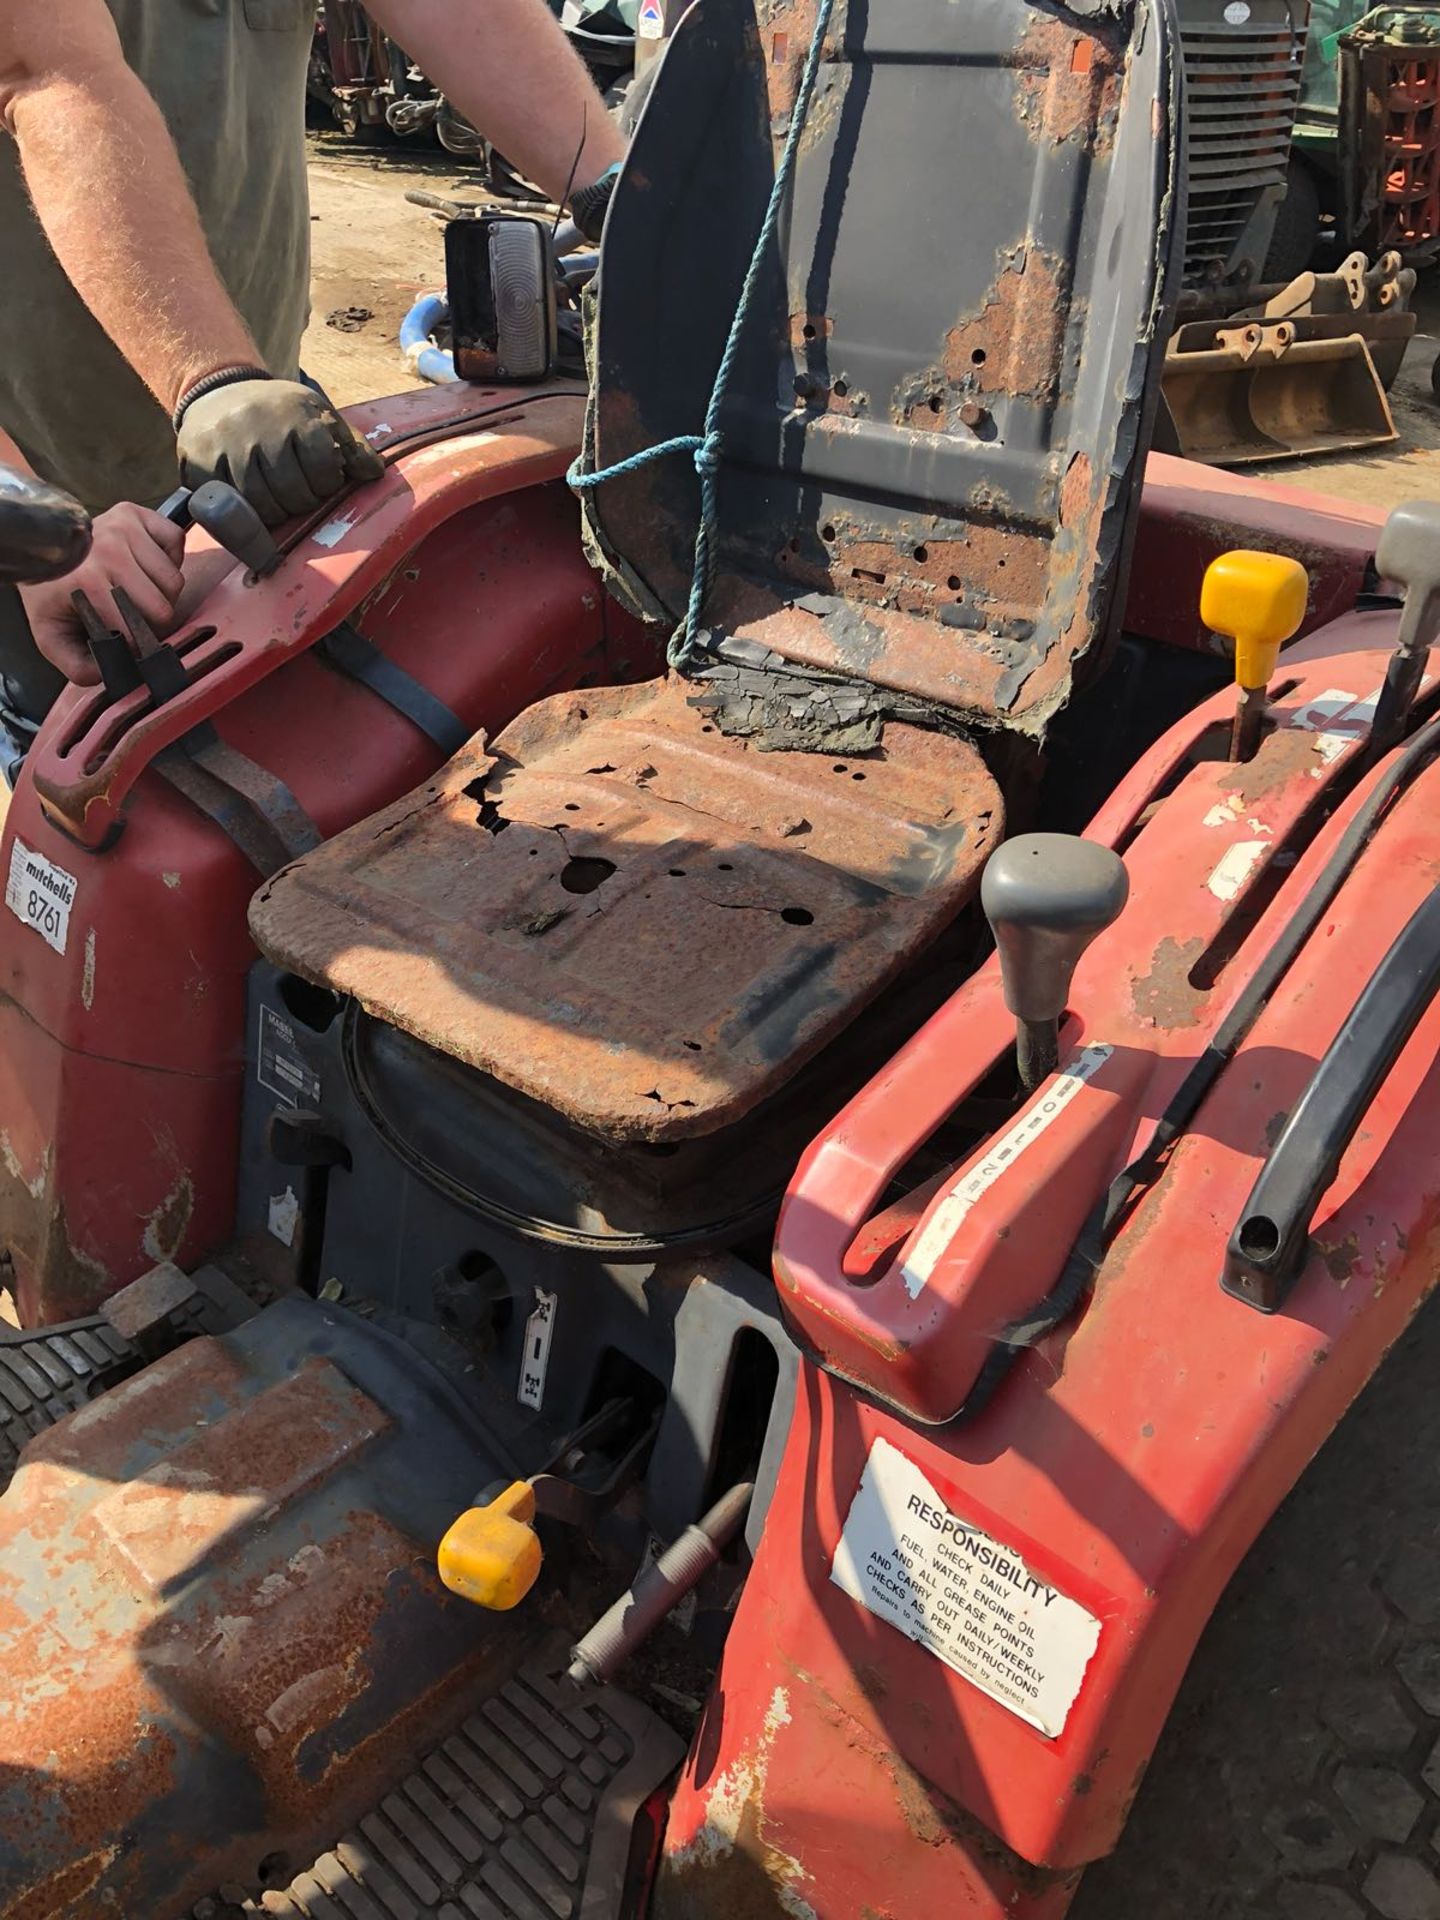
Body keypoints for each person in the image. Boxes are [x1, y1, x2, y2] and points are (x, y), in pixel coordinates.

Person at [0, 0, 627, 689]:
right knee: (110, 766)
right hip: (46, 503)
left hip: (256, 436)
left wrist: (621, 192)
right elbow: (41, 72)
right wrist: (38, 515)